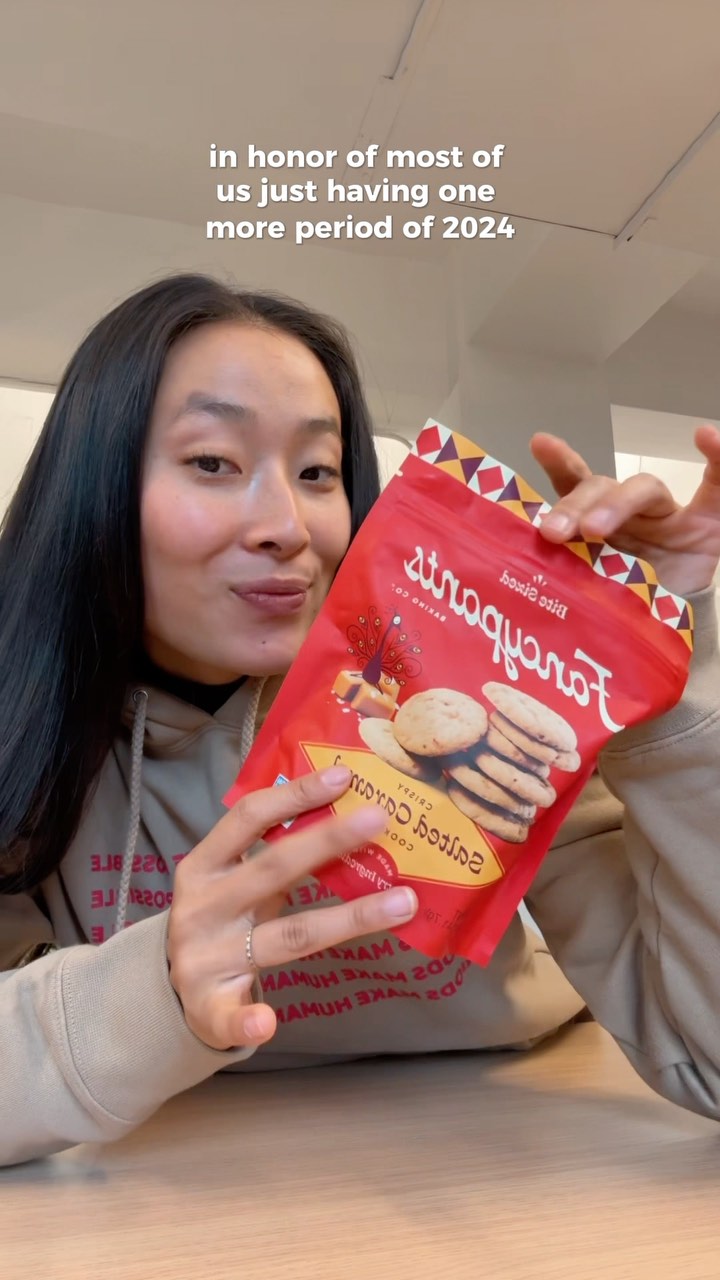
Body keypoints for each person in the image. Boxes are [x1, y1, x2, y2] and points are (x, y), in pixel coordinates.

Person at [2, 274, 720, 1169]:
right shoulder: (30, 735)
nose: (288, 526)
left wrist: (664, 668)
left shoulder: (455, 710)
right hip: (198, 1179)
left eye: (318, 472)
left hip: (511, 1144)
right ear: (93, 485)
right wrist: (158, 993)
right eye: (213, 462)